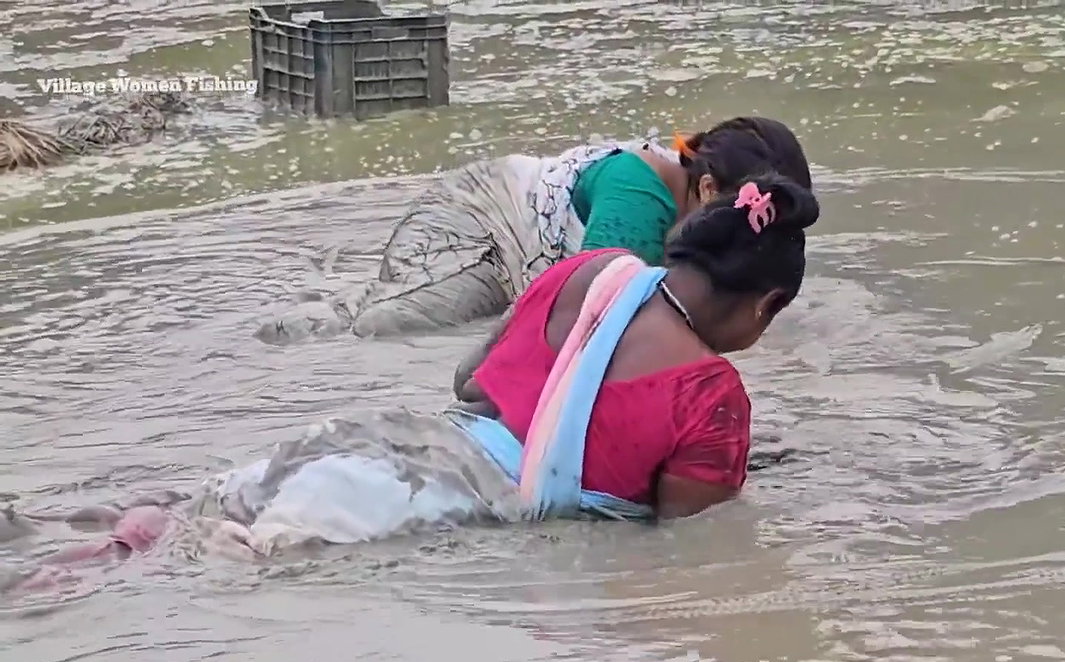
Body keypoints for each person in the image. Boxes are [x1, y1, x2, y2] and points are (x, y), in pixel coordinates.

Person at [7, 172, 819, 589]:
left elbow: (471, 385)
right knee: (217, 564)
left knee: (175, 517)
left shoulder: (590, 269)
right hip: (422, 507)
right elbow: (684, 542)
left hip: (380, 440)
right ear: (767, 305)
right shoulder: (712, 398)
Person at [255, 116, 814, 344]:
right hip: (476, 227)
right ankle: (288, 330)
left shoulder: (686, 203)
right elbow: (599, 306)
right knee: (384, 322)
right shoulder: (639, 193)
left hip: (509, 235)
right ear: (710, 190)